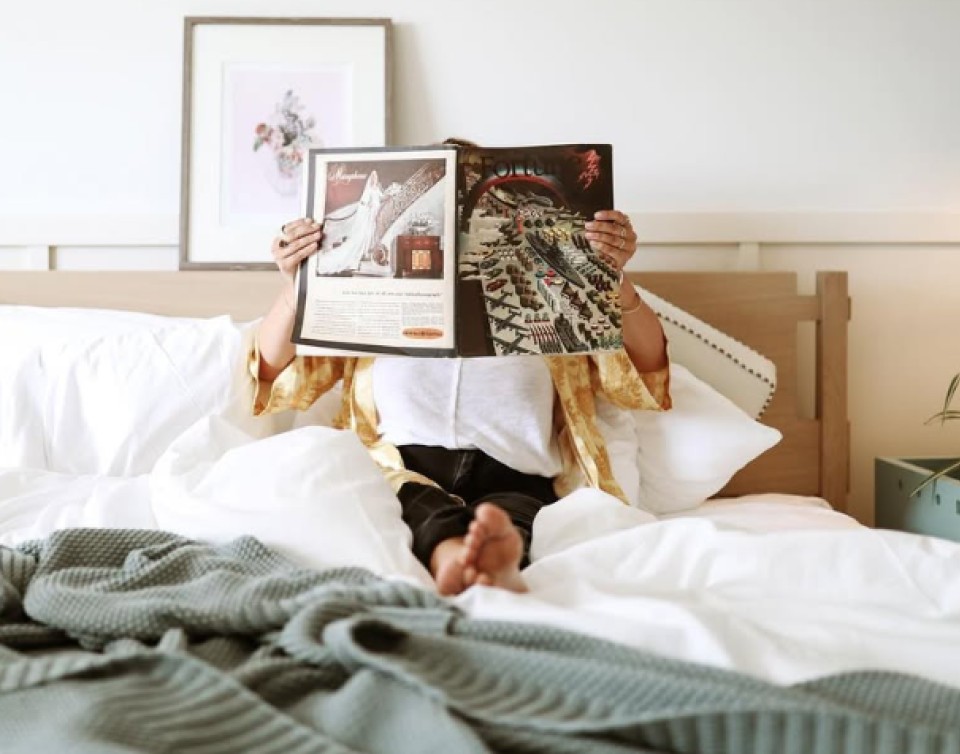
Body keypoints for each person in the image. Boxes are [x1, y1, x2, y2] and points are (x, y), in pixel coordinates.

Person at [252, 201, 670, 596]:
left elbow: (647, 368)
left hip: (516, 467)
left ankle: (496, 557)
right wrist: (299, 283)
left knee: (514, 513)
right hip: (404, 464)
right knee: (415, 504)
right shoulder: (369, 292)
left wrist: (613, 278)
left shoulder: (556, 294)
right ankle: (455, 556)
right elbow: (271, 372)